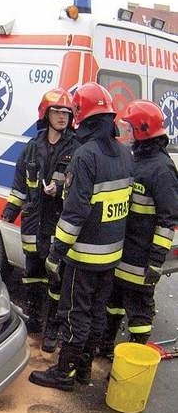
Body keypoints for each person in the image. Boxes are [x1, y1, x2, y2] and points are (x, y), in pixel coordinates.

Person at [29, 82, 133, 391]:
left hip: (84, 256)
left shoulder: (85, 155)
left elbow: (74, 213)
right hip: (112, 254)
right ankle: (84, 370)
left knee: (75, 314)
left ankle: (63, 374)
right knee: (97, 313)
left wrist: (56, 252)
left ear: (80, 114)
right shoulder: (124, 153)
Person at [100, 100, 178, 354]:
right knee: (114, 302)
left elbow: (168, 221)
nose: (126, 134)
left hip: (142, 258)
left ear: (143, 130)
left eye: (130, 128)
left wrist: (156, 261)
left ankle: (136, 353)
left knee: (140, 310)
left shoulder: (162, 169)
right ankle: (106, 345)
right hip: (122, 252)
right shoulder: (136, 159)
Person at [1, 88, 79, 337]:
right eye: (57, 111)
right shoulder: (32, 148)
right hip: (33, 222)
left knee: (55, 276)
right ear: (46, 114)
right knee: (32, 273)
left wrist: (59, 191)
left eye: (66, 113)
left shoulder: (75, 149)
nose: (62, 117)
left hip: (57, 222)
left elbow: (80, 190)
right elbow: (19, 185)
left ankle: (53, 326)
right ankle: (34, 317)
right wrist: (10, 210)